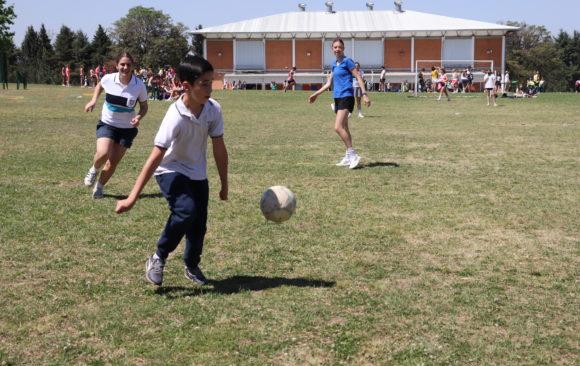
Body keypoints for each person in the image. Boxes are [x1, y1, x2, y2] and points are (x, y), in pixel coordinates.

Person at [115, 55, 228, 287]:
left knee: (199, 224)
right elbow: (155, 156)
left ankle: (192, 264)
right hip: (169, 169)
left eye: (211, 82)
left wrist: (224, 184)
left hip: (197, 172)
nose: (210, 88)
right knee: (186, 211)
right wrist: (132, 197)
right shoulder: (174, 117)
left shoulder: (213, 110)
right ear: (186, 86)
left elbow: (219, 148)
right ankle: (158, 257)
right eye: (204, 84)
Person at [83, 52, 149, 199]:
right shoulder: (108, 79)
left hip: (127, 129)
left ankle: (99, 188)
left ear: (133, 67)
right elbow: (100, 85)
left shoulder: (139, 85)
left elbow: (144, 107)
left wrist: (139, 116)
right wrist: (94, 100)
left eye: (128, 65)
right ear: (117, 65)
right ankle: (93, 170)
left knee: (111, 164)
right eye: (122, 64)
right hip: (107, 123)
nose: (125, 67)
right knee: (102, 153)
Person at [308, 38, 370, 169]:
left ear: (343, 48)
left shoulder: (348, 62)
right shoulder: (334, 64)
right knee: (345, 128)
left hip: (347, 97)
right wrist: (315, 95)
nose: (337, 49)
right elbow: (329, 84)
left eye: (339, 47)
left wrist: (364, 95)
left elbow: (358, 77)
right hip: (337, 98)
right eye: (335, 47)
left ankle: (353, 155)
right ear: (332, 49)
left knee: (338, 127)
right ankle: (348, 156)